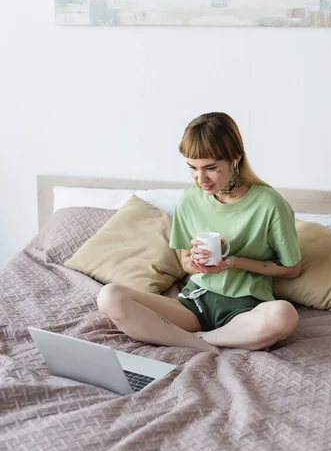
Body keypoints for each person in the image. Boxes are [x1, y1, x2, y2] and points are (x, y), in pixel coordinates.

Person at [97, 112, 301, 353]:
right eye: (192, 168)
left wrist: (233, 262)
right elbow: (185, 262)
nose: (200, 178)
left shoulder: (270, 204)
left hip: (245, 308)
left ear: (235, 159)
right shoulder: (189, 200)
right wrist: (196, 263)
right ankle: (201, 341)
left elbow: (291, 269)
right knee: (109, 296)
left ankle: (201, 339)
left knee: (284, 315)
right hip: (195, 303)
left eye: (211, 168)